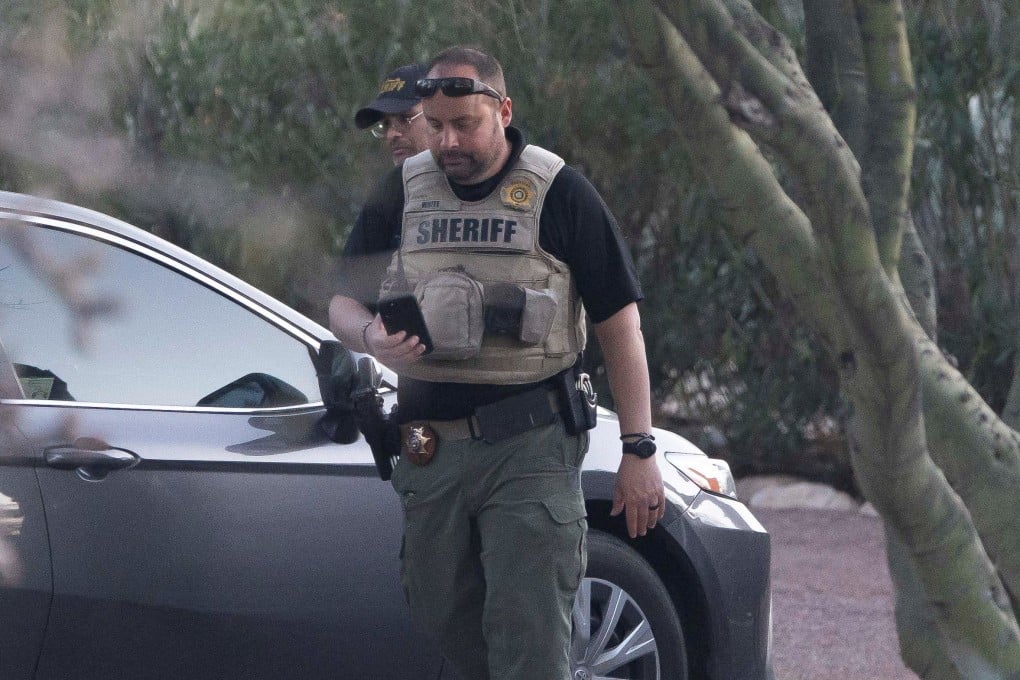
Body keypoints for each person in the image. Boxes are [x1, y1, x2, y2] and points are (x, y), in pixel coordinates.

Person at [329, 45, 664, 680]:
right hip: (431, 452)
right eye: (435, 125)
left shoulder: (558, 191)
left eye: (465, 125)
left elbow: (621, 322)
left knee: (531, 640)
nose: (447, 140)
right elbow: (341, 303)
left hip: (531, 448)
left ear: (503, 112)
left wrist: (639, 447)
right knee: (447, 623)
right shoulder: (403, 190)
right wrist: (370, 334)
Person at [354, 63, 430, 166]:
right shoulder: (390, 181)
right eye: (385, 124)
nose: (390, 135)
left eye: (404, 119)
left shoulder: (458, 178)